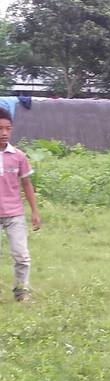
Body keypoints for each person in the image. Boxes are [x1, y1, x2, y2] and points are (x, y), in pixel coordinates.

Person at [0, 107, 40, 302]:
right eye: (0, 128)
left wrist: (34, 211)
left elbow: (26, 184)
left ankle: (21, 292)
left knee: (22, 256)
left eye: (8, 128)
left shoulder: (18, 156)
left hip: (14, 214)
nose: (4, 133)